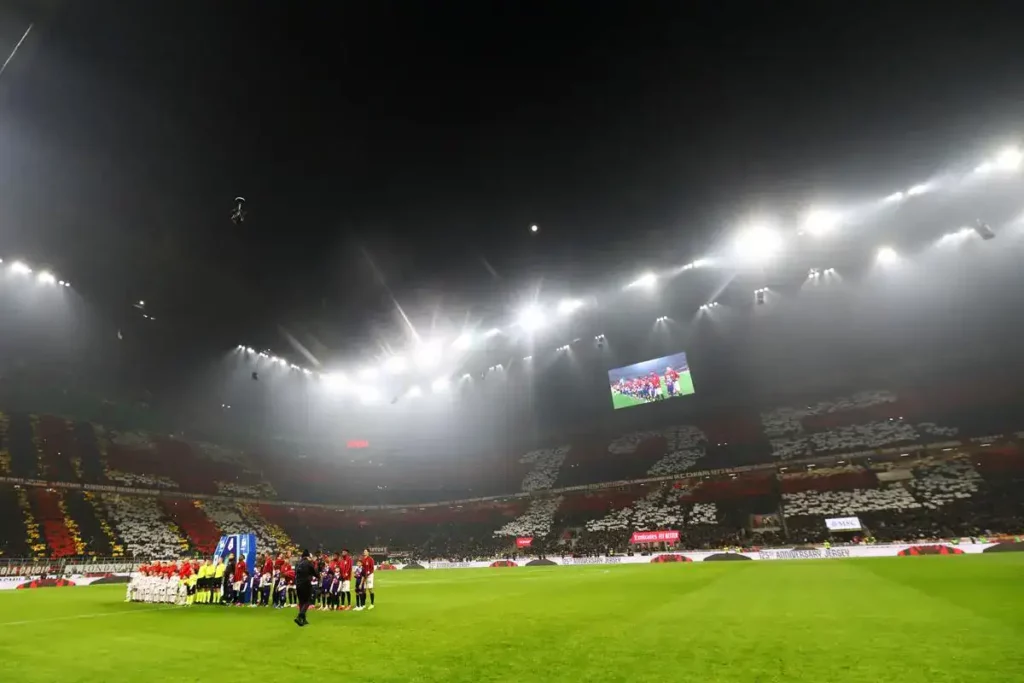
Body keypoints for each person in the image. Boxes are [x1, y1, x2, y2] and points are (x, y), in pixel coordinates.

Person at [293, 550, 316, 627]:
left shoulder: (298, 563)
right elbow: (314, 572)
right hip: (306, 584)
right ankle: (300, 615)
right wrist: (319, 576)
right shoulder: (308, 563)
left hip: (298, 584)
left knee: (301, 602)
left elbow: (295, 573)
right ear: (307, 556)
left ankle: (303, 620)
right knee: (307, 601)